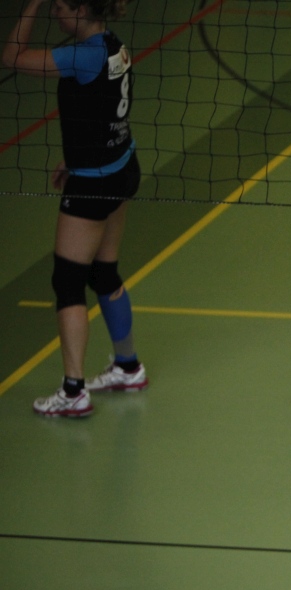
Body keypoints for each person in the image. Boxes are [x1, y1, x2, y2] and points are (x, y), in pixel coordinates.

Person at [4, 0, 147, 417]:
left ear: (82, 8)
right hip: (122, 167)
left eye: (59, 5)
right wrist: (75, 154)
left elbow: (11, 56)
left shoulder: (80, 56)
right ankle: (127, 367)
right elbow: (101, 106)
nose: (55, 13)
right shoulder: (114, 45)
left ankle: (73, 392)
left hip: (94, 183)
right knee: (104, 272)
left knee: (67, 282)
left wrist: (31, 3)